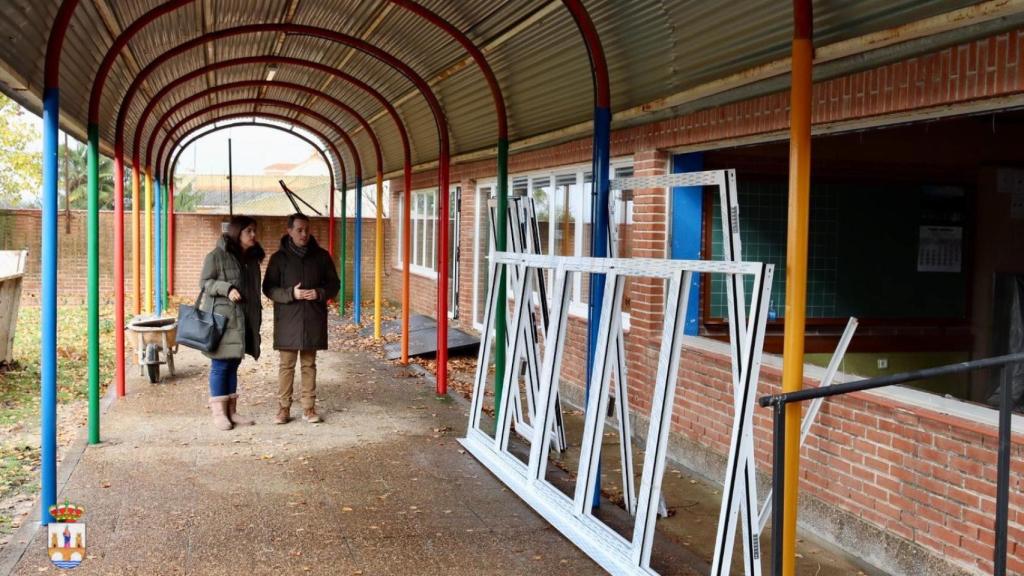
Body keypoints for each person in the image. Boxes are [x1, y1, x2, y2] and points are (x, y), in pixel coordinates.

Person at [262, 213, 339, 424]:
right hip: (288, 319)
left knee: (309, 364)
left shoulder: (322, 257)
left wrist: (320, 293)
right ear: (289, 231)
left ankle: (309, 408)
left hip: (312, 318)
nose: (304, 234)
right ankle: (283, 408)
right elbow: (268, 288)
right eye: (299, 230)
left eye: (306, 229)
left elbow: (334, 285)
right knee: (286, 366)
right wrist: (291, 294)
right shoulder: (279, 258)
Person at [199, 215, 265, 430]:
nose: (253, 235)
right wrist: (226, 289)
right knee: (220, 364)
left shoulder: (252, 259)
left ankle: (231, 411)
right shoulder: (216, 256)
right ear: (237, 233)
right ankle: (219, 413)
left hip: (244, 318)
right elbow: (205, 283)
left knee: (234, 363)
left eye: (254, 230)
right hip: (223, 320)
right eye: (249, 231)